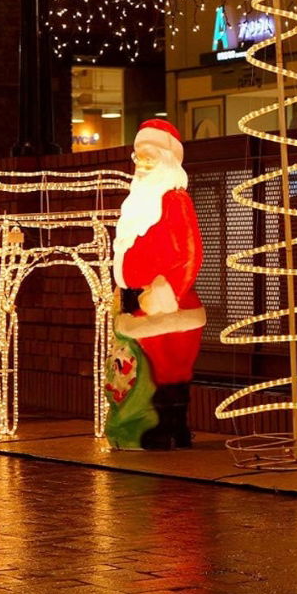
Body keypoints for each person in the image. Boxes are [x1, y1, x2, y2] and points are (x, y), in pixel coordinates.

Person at [105, 119, 206, 449]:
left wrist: (168, 290)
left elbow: (190, 251)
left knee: (167, 369)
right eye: (138, 156)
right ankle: (149, 426)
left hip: (163, 304)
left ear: (167, 157)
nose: (142, 163)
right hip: (135, 304)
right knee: (138, 368)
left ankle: (166, 426)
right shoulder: (137, 202)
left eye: (149, 154)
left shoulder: (175, 200)